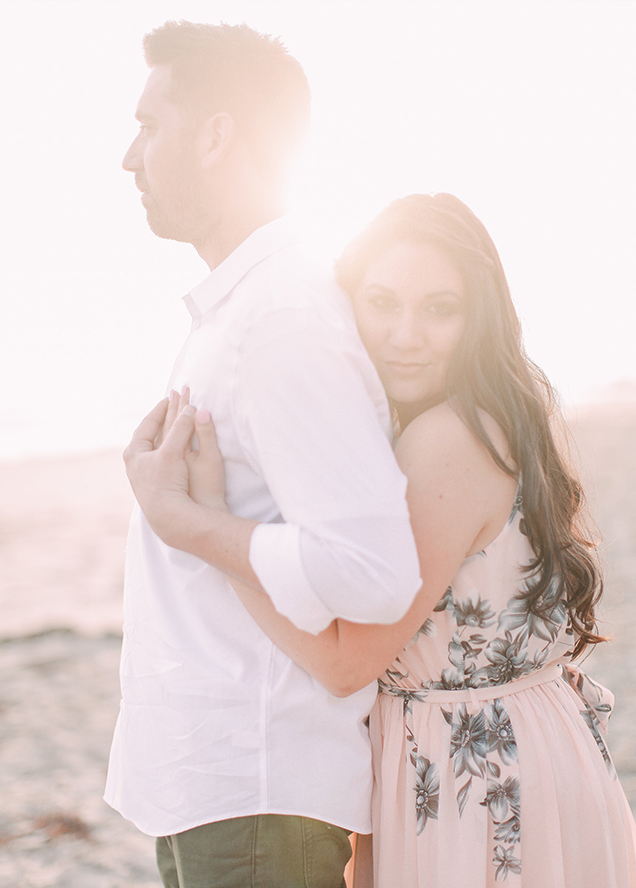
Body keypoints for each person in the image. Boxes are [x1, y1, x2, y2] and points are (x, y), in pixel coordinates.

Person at [126, 193, 636, 887]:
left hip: (480, 782)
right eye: (382, 302)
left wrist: (198, 524)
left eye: (439, 308)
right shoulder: (490, 412)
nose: (406, 334)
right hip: (506, 751)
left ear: (478, 317)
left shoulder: (449, 439)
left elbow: (346, 663)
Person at [106, 20, 423, 888]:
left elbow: (369, 569)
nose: (129, 157)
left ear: (216, 136)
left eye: (148, 126)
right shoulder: (241, 311)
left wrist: (185, 522)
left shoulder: (282, 320)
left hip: (255, 791)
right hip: (216, 785)